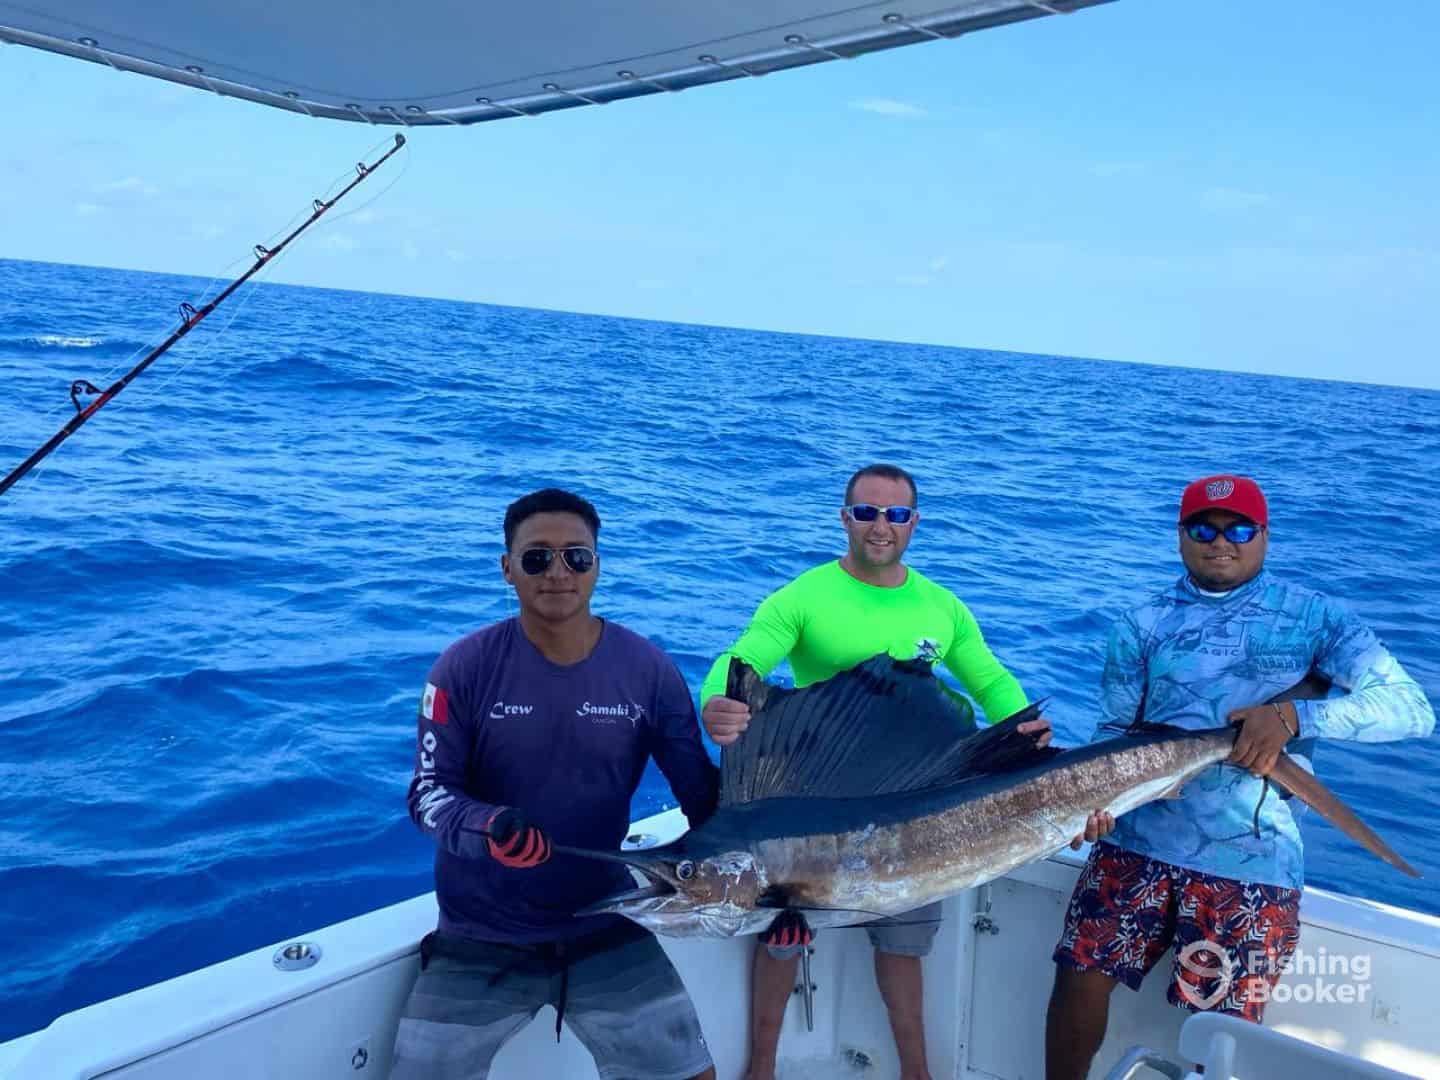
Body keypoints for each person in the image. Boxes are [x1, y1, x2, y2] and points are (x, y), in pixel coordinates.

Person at [701, 463, 1102, 1080]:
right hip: (815, 800)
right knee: (779, 939)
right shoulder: (802, 597)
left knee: (903, 944)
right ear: (845, 519)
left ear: (915, 522)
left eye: (895, 514)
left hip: (911, 802)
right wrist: (715, 702)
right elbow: (743, 656)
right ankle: (761, 1069)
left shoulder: (941, 607)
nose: (880, 526)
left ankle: (917, 1072)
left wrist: (1025, 730)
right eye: (866, 512)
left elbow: (989, 679)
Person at [1045, 474, 1436, 1080]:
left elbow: (1411, 710)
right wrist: (1092, 806)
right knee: (1078, 977)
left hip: (1251, 863)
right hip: (1134, 842)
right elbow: (1114, 734)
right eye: (1203, 528)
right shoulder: (1141, 623)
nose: (1220, 542)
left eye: (1239, 529)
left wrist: (1294, 716)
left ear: (1264, 536)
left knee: (1222, 1028)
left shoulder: (1314, 618)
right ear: (1181, 535)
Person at [390, 487, 719, 1080]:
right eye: (537, 557)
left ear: (597, 566)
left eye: (577, 556)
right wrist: (489, 826)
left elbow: (703, 799)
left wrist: (778, 895)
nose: (558, 572)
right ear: (507, 568)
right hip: (479, 932)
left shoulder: (649, 670)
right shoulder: (461, 669)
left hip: (604, 918)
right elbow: (428, 793)